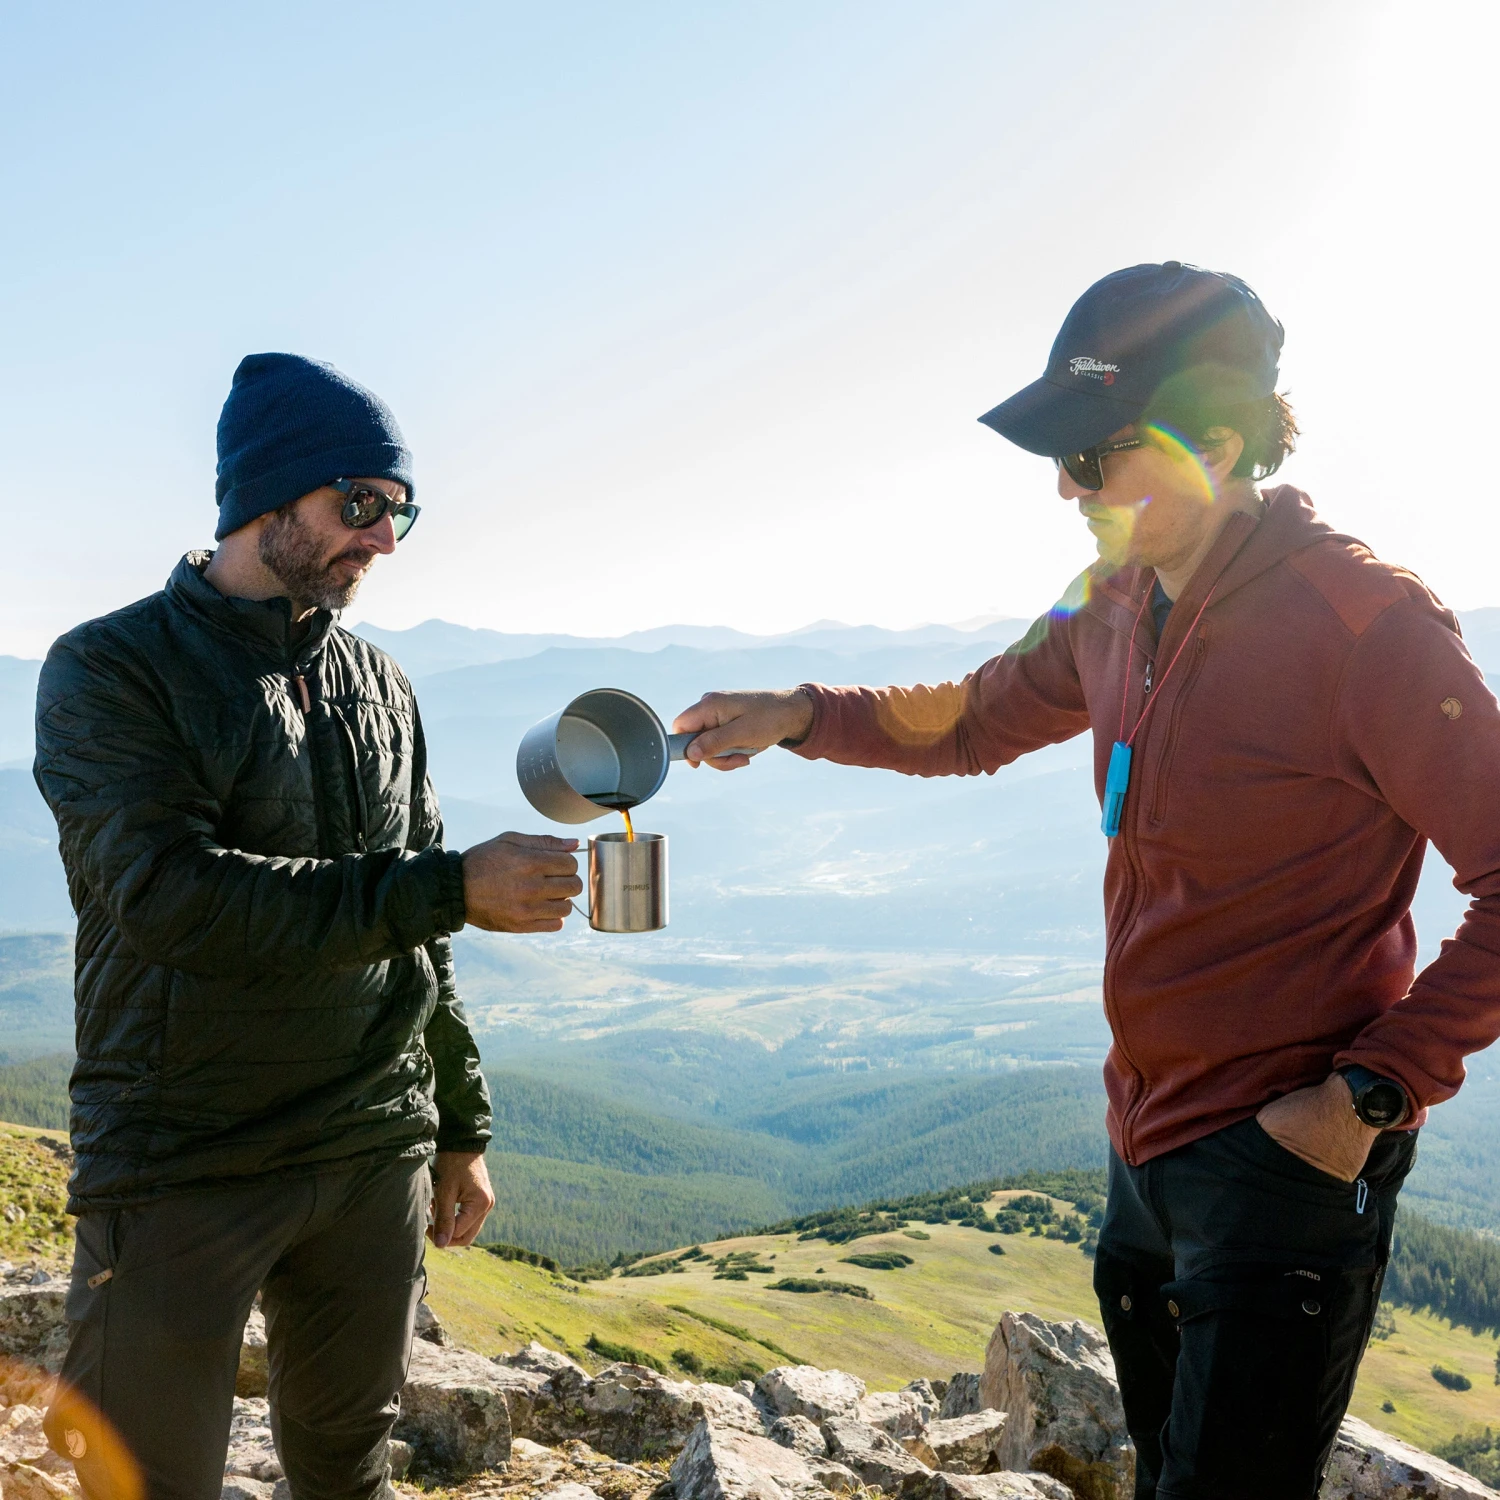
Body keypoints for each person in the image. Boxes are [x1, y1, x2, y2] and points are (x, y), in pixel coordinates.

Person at [671, 263, 1500, 1500]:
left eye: (1094, 456)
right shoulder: (1114, 599)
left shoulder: (1365, 625)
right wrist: (798, 712)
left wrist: (1366, 1098)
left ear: (1214, 444)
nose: (1067, 489)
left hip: (1289, 1164)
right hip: (1144, 1148)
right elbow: (971, 719)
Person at [33, 353, 583, 1500]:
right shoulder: (110, 669)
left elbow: (421, 946)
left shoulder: (381, 683)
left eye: (401, 512)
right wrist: (450, 887)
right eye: (362, 503)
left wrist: (460, 1124)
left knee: (347, 1470)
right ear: (265, 497)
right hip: (183, 1156)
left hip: (369, 1148)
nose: (385, 539)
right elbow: (174, 900)